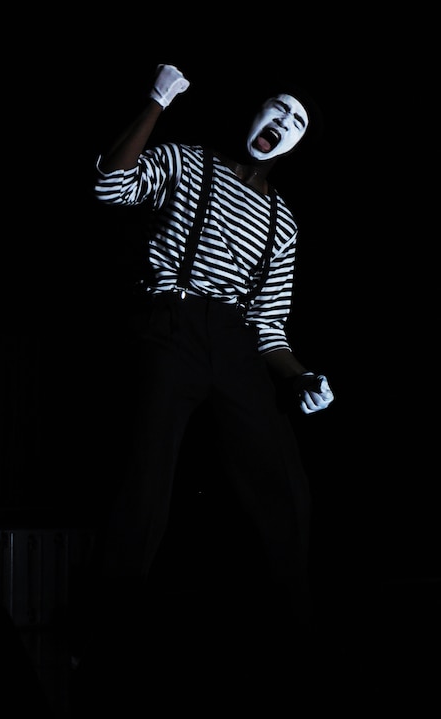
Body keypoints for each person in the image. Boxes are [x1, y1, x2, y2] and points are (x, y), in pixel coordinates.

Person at [69, 64, 335, 708]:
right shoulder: (190, 164)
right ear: (254, 115)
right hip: (171, 324)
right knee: (144, 483)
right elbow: (110, 185)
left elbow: (268, 327)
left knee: (282, 484)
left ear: (298, 144)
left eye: (296, 122)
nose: (282, 124)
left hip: (236, 346)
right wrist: (156, 102)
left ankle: (292, 647)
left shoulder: (284, 223)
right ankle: (107, 646)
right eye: (277, 109)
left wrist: (302, 378)